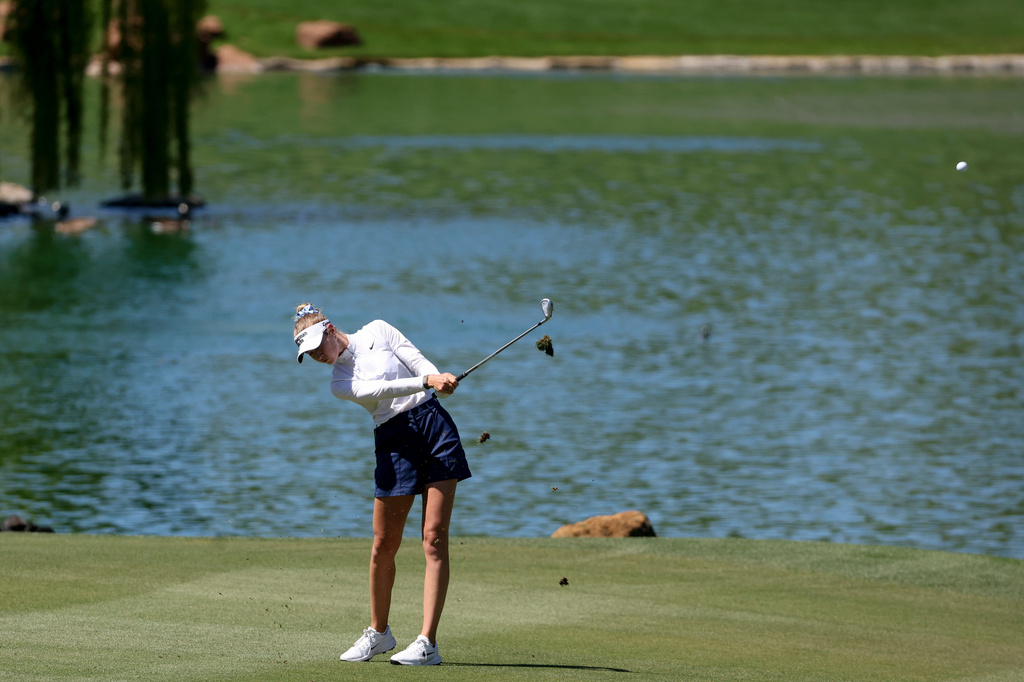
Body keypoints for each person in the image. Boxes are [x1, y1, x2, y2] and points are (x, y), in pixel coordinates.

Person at [292, 303, 470, 666]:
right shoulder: (340, 383)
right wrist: (425, 382)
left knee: (433, 536)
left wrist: (438, 380)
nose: (316, 358)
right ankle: (379, 633)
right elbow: (385, 388)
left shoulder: (377, 329)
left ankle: (427, 643)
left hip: (435, 428)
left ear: (329, 329)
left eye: (315, 349)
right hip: (394, 442)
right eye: (307, 356)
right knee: (383, 544)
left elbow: (417, 361)